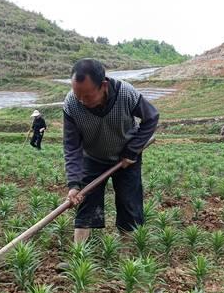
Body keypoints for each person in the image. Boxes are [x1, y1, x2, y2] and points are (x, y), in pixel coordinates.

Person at [63, 59, 159, 244]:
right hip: (92, 157)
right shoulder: (71, 105)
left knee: (129, 203)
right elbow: (72, 146)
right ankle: (78, 255)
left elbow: (151, 117)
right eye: (78, 95)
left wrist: (132, 151)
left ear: (104, 86)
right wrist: (74, 184)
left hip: (126, 158)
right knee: (85, 202)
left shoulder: (126, 93)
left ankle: (129, 257)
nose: (82, 101)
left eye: (87, 96)